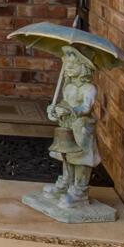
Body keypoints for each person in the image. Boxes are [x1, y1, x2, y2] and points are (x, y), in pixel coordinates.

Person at [42, 45, 100, 207]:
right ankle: (66, 182)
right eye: (66, 65)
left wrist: (69, 110)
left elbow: (85, 108)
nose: (68, 68)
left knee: (81, 158)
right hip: (68, 126)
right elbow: (64, 103)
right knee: (66, 155)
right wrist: (55, 110)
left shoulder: (89, 89)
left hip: (82, 128)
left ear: (85, 68)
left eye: (73, 65)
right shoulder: (68, 86)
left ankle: (80, 189)